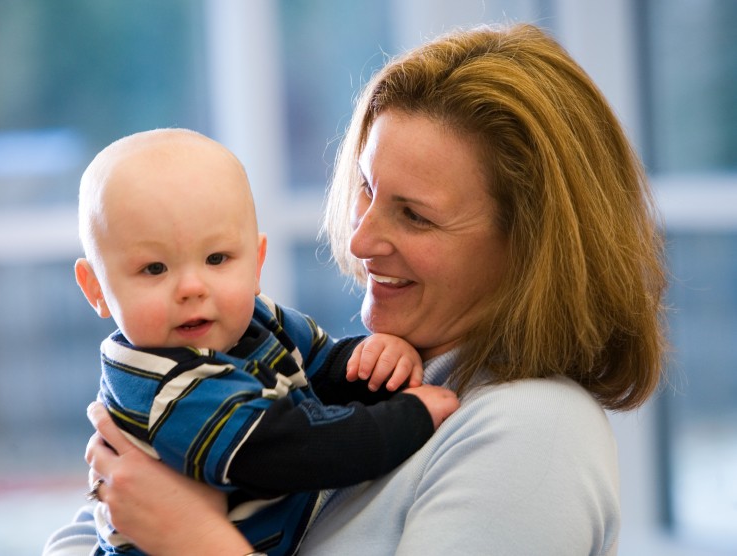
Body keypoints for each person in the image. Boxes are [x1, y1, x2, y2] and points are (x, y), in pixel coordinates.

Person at [44, 22, 667, 555]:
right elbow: (85, 532)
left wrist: (193, 537)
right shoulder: (379, 373)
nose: (362, 239)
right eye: (366, 189)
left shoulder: (536, 435)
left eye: (415, 215)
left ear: (530, 246)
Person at [67, 128, 459, 555]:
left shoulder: (252, 321)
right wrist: (410, 417)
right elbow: (293, 449)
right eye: (154, 269)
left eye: (217, 259)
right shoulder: (165, 386)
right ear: (96, 290)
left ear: (256, 264)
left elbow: (321, 369)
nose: (192, 287)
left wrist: (372, 360)